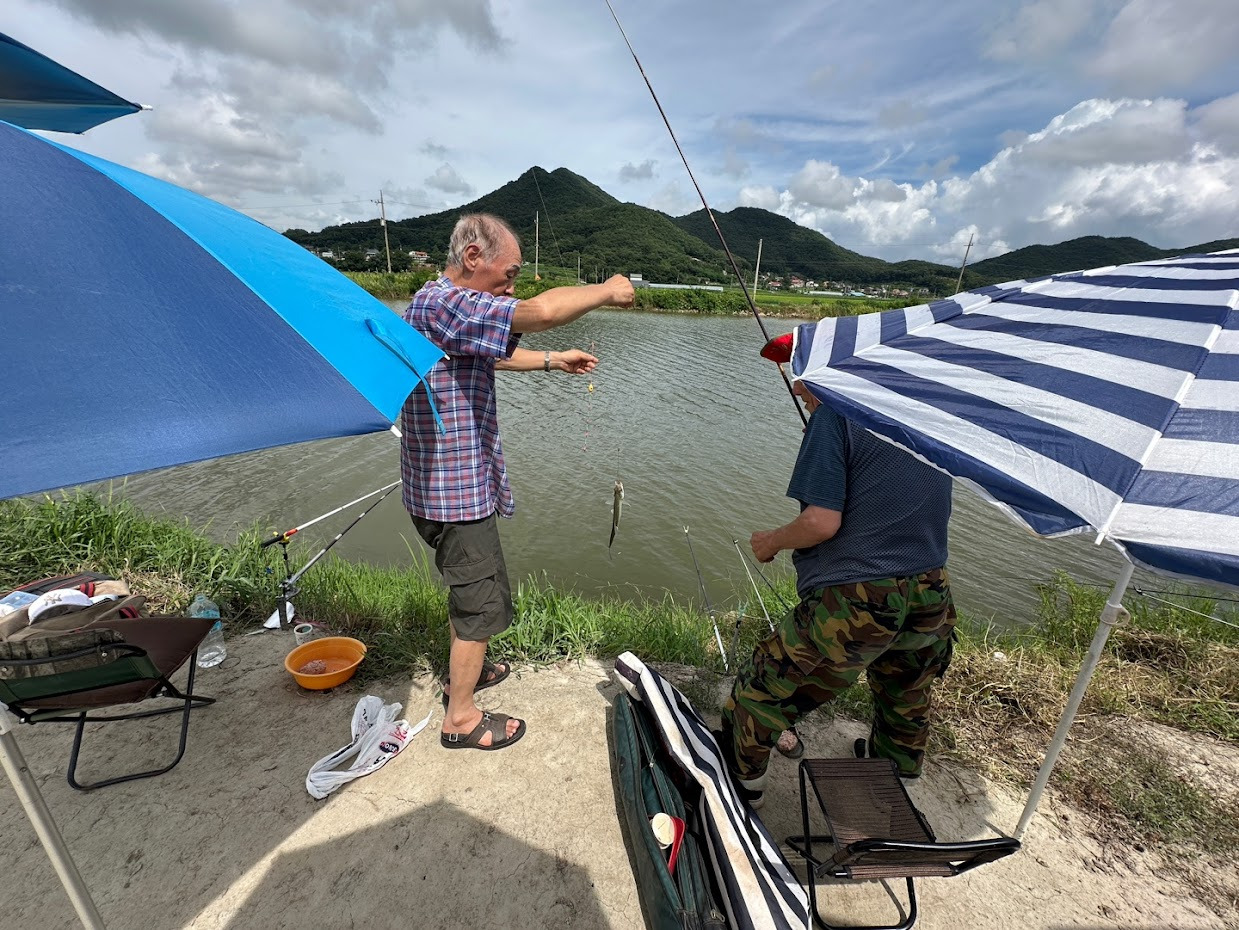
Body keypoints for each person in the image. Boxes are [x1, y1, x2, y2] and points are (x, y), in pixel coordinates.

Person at [400, 212, 634, 752]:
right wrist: (607, 290)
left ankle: (467, 672)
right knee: (479, 605)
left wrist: (553, 361)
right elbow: (543, 312)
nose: (512, 286)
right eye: (509, 273)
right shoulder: (446, 304)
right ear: (473, 257)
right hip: (455, 495)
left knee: (469, 589)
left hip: (440, 487)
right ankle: (461, 718)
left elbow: (491, 356)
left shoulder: (437, 307)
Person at [719, 332, 956, 805]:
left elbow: (820, 523)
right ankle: (895, 779)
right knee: (905, 694)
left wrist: (771, 542)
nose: (796, 388)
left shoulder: (834, 415)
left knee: (760, 690)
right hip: (932, 591)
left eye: (803, 376)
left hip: (859, 600)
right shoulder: (926, 413)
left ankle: (743, 786)